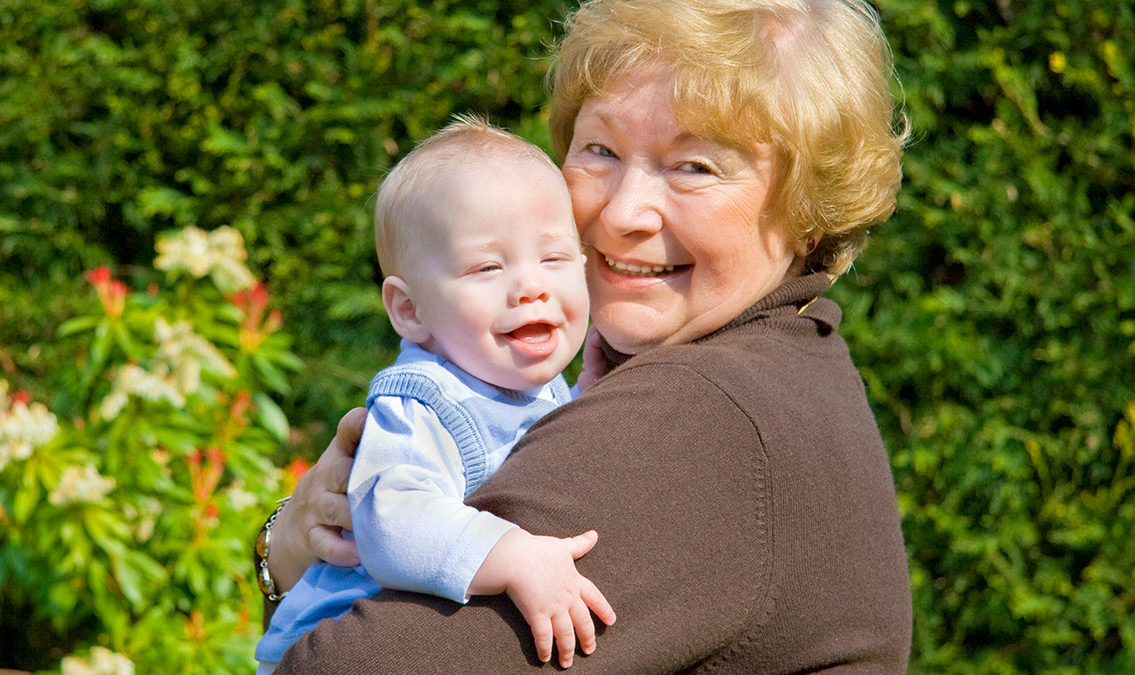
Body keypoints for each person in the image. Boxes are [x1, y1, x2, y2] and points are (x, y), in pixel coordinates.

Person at [258, 0, 914, 671]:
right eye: (600, 149)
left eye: (695, 167)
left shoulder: (697, 416)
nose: (624, 211)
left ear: (807, 211)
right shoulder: (791, 367)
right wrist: (288, 546)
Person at [254, 118, 612, 672]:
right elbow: (396, 522)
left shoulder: (525, 382)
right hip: (333, 643)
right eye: (488, 266)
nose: (532, 285)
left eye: (554, 258)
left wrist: (590, 395)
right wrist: (512, 557)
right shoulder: (421, 405)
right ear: (409, 310)